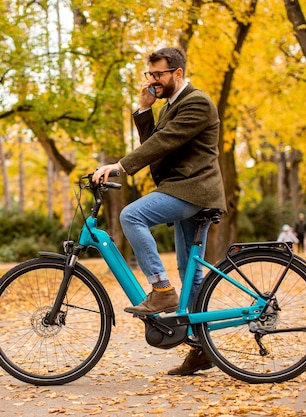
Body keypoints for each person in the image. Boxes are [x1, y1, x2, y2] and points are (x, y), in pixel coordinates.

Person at [92, 47, 226, 377]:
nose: (153, 80)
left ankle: (161, 290)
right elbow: (155, 141)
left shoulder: (196, 102)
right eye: (149, 74)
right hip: (184, 188)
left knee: (131, 216)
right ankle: (199, 349)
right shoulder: (170, 105)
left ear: (177, 73)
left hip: (192, 189)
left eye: (158, 74)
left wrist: (120, 166)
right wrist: (143, 110)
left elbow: (162, 143)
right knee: (189, 269)